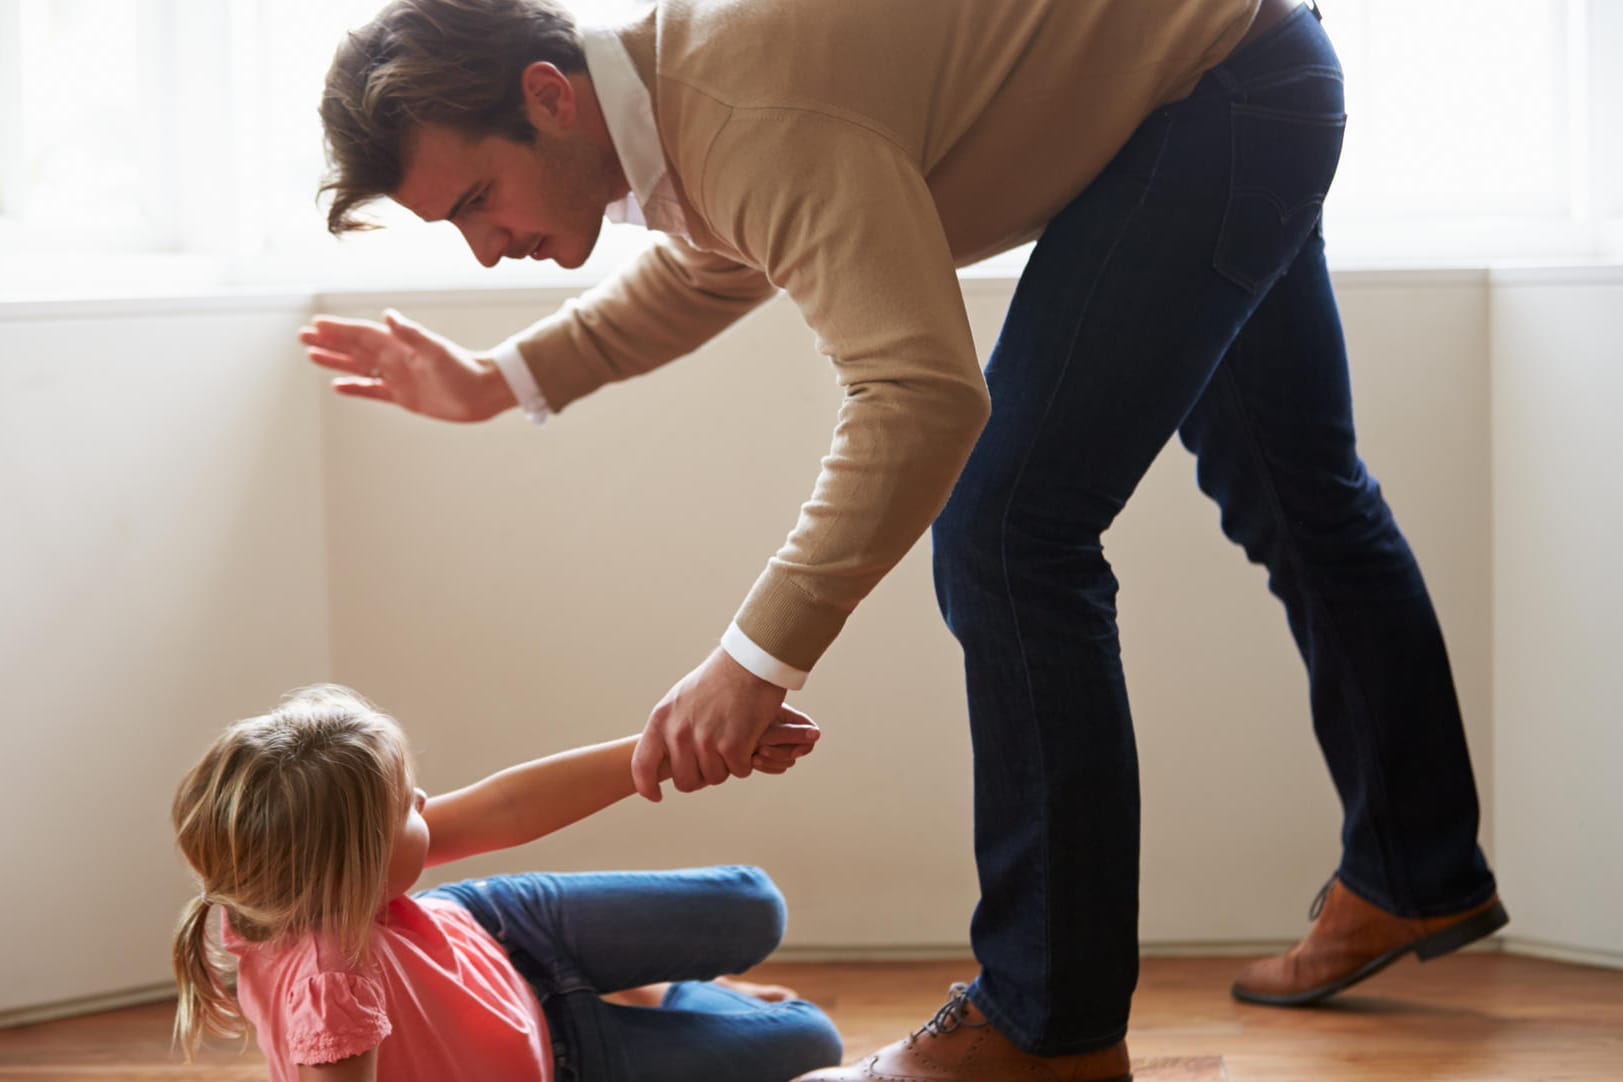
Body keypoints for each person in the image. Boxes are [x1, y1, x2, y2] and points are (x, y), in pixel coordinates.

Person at [300, 1, 1508, 1078]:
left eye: (474, 202)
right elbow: (713, 265)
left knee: (1007, 529)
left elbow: (921, 396)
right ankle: (1415, 867)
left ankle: (1047, 1022)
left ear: (546, 96)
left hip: (1216, 90)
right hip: (1240, 71)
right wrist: (500, 378)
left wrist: (755, 656)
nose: (482, 244)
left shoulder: (740, 106)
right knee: (1300, 495)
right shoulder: (682, 104)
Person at [170, 684, 841, 1082]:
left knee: (754, 904)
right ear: (354, 868)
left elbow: (507, 808)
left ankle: (656, 984)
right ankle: (668, 994)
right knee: (809, 1039)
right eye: (406, 804)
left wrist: (669, 746)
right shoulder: (326, 991)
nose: (426, 800)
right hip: (566, 1054)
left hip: (494, 929)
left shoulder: (299, 879)